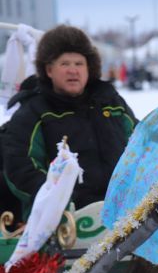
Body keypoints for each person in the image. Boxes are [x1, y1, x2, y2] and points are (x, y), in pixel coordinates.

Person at [1, 25, 137, 221]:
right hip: (62, 222)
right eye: (64, 63)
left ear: (89, 68)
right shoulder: (32, 112)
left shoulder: (112, 103)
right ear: (48, 69)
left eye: (79, 63)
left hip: (122, 213)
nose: (73, 70)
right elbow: (21, 168)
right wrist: (60, 199)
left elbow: (142, 146)